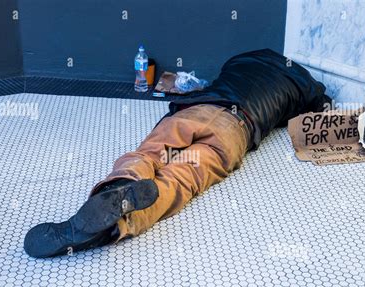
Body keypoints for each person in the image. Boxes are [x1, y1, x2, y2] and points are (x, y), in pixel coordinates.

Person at [24, 49, 332, 258]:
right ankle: (116, 228)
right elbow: (319, 108)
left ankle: (119, 186)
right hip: (235, 133)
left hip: (199, 111)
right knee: (182, 179)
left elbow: (209, 84)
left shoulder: (239, 63)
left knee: (151, 154)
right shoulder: (304, 85)